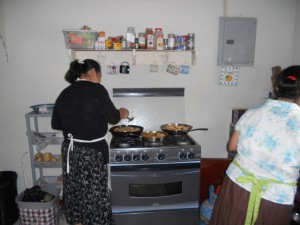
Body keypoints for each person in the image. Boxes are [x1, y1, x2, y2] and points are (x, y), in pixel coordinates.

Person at [209, 65, 300, 225]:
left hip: (237, 186)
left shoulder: (254, 111)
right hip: (275, 197)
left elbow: (232, 146)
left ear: (278, 87)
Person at [51, 59, 129, 225]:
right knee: (94, 194)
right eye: (100, 75)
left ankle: (77, 221)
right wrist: (123, 111)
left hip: (71, 152)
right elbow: (113, 118)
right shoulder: (97, 90)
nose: (100, 79)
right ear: (93, 72)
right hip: (92, 153)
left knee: (75, 191)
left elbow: (55, 124)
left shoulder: (65, 92)